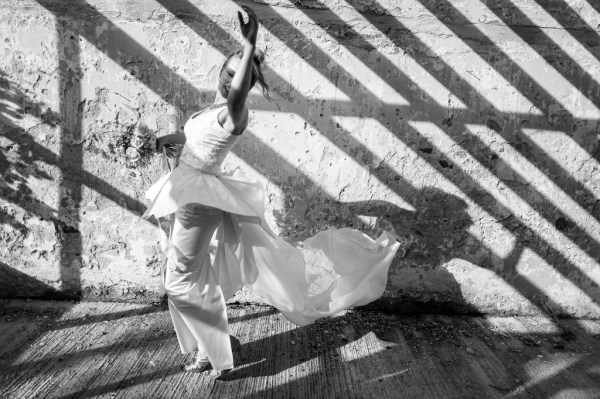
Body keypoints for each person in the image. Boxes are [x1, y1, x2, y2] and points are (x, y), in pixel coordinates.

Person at [142, 6, 399, 379]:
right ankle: (207, 350)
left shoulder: (235, 112)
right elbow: (195, 138)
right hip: (189, 192)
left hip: (199, 201)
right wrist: (172, 138)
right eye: (228, 73)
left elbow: (231, 104)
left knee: (179, 282)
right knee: (190, 278)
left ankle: (219, 351)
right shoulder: (210, 111)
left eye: (240, 77)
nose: (232, 81)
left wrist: (250, 44)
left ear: (247, 83)